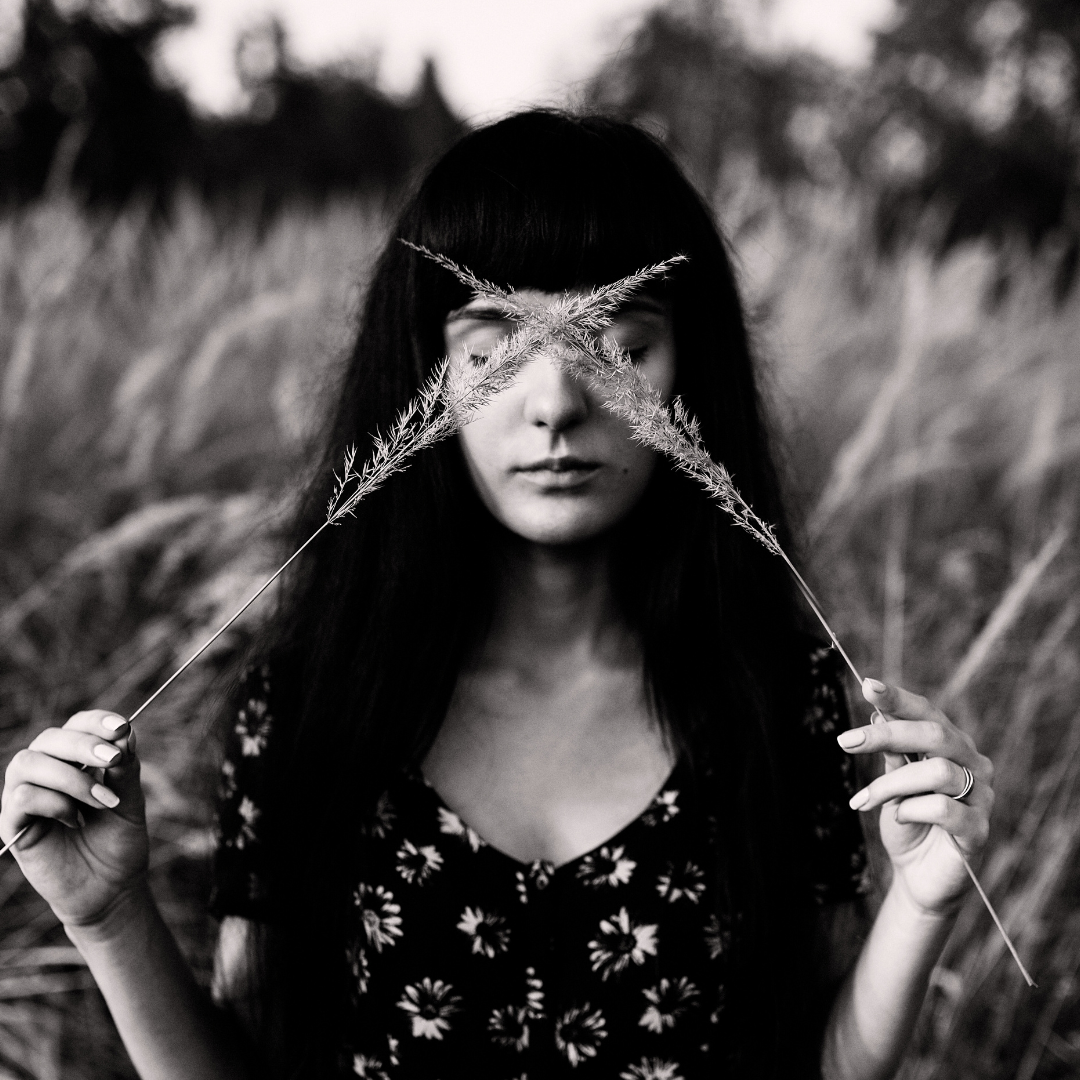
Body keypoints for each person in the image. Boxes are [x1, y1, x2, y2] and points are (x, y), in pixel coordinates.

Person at [0, 111, 994, 1080]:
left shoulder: (781, 696)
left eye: (618, 343)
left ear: (691, 372)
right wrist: (108, 917)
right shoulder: (310, 708)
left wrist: (923, 902)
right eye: (496, 348)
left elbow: (816, 1063)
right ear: (427, 373)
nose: (555, 402)